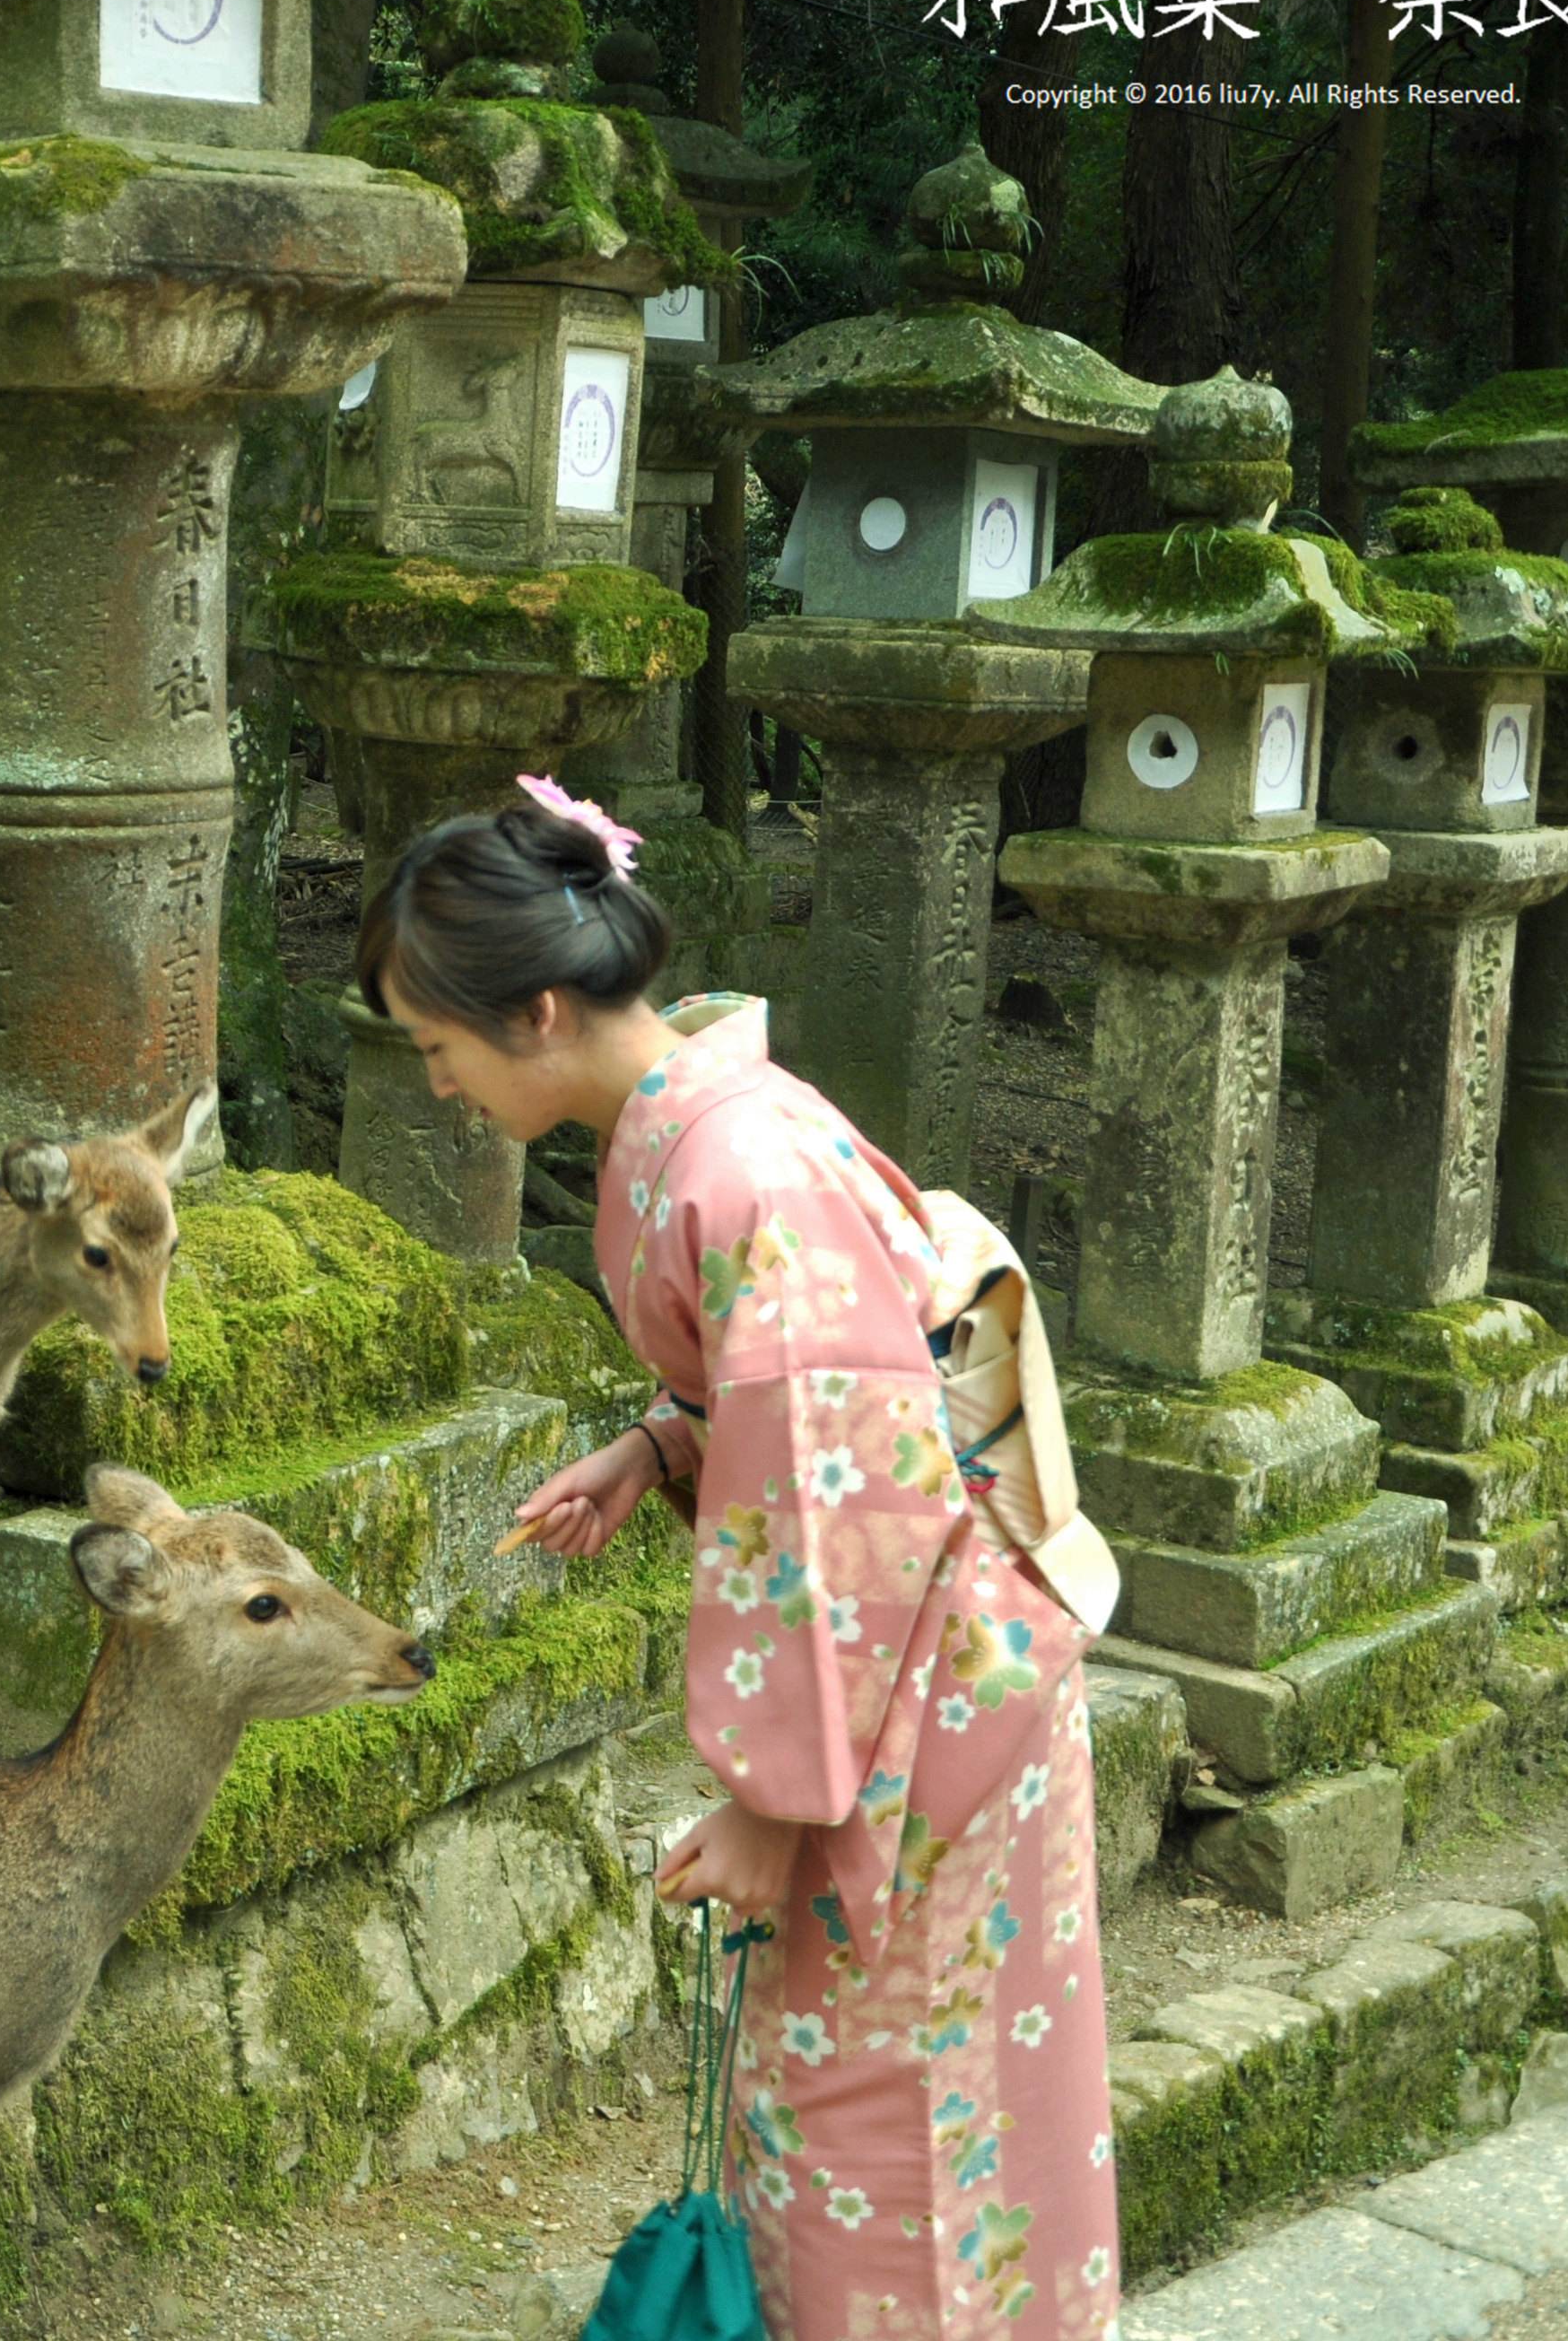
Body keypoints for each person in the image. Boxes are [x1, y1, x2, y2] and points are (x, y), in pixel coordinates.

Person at [356, 776, 1119, 2341]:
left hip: (922, 1692)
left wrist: (775, 1805)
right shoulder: (703, 1129)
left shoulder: (737, 1165)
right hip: (913, 1656)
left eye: (435, 1048)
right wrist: (660, 1447)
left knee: (886, 2101)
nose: (432, 1085)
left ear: (539, 1012)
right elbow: (804, 1402)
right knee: (861, 2090)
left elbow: (846, 1501)